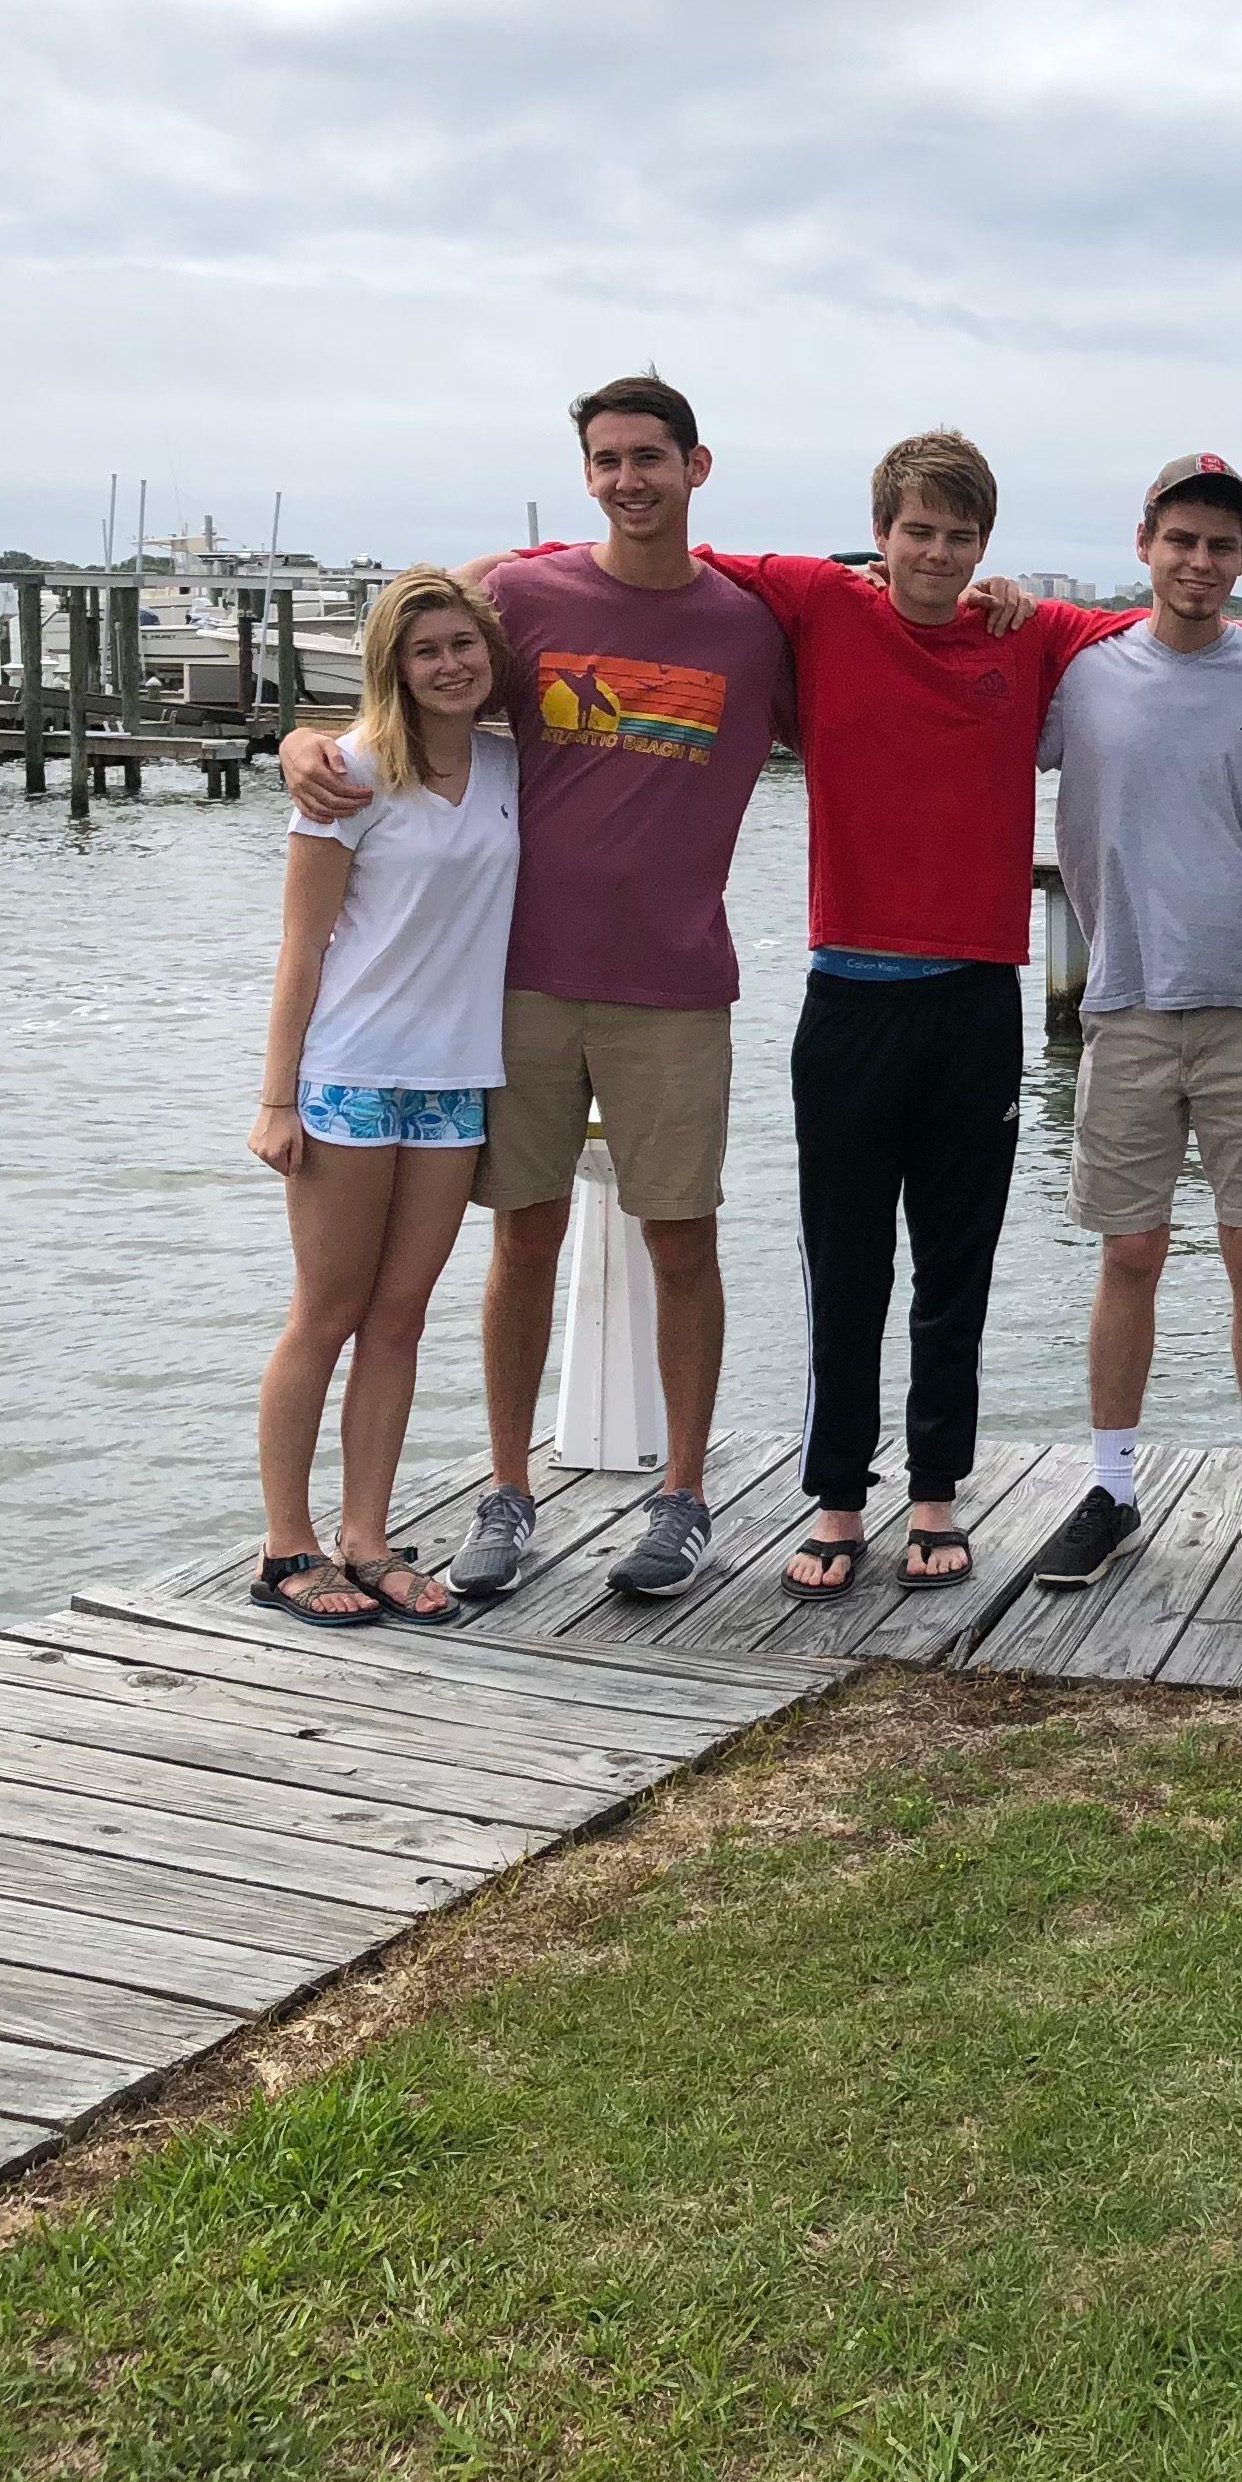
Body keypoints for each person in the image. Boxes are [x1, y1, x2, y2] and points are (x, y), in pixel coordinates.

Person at [653, 438, 1242, 1598]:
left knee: (996, 1265)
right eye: (919, 532)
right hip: (893, 987)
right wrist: (512, 567)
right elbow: (670, 563)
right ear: (882, 535)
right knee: (890, 1264)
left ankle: (1131, 1488)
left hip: (1051, 993)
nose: (939, 554)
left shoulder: (1065, 640)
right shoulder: (862, 608)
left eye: (961, 537)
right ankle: (886, 1497)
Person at [282, 377, 794, 1605]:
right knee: (524, 1235)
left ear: (697, 467)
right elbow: (419, 676)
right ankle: (507, 1492)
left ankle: (682, 1496)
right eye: (608, 460)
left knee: (683, 1236)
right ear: (587, 474)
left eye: (651, 459)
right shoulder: (523, 595)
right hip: (515, 988)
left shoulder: (751, 626)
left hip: (675, 985)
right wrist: (308, 742)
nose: (630, 480)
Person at [1024, 455, 1242, 1594]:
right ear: (1145, 544)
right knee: (1128, 1254)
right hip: (1122, 1001)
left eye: (1221, 547)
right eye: (1182, 541)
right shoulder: (1080, 678)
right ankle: (1112, 1491)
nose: (1200, 563)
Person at [245, 568, 523, 1626]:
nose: (450, 665)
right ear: (392, 668)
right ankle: (287, 1548)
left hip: (456, 1080)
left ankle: (367, 1537)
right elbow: (299, 950)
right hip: (352, 1076)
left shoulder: (508, 769)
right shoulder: (349, 775)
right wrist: (278, 1099)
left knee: (400, 1320)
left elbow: (507, 572)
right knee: (326, 1314)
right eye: (426, 650)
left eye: (465, 644)